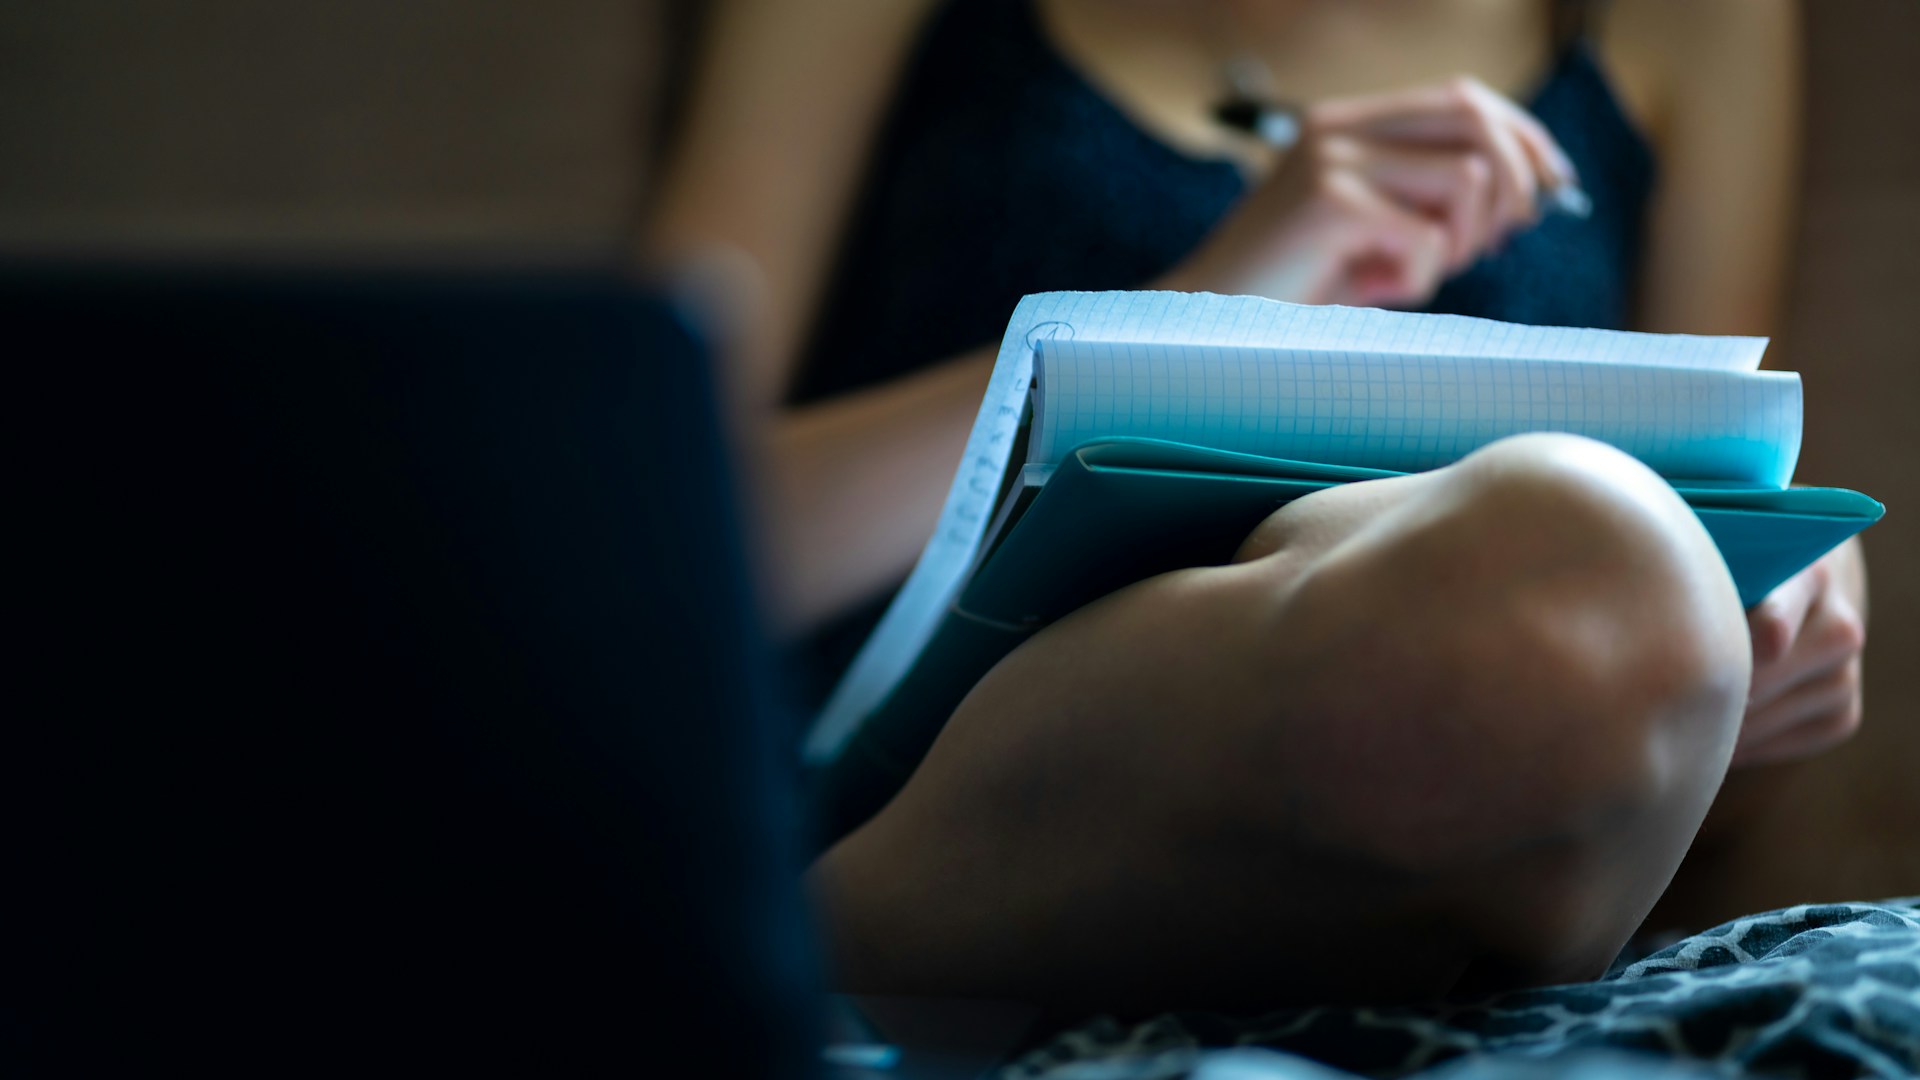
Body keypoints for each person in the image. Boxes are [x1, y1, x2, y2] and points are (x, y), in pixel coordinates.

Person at [652, 0, 1871, 1012]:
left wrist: (1778, 630)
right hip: (905, 798)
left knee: (1595, 590)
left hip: (1523, 764)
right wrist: (1209, 299)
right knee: (1570, 577)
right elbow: (623, 530)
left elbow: (1710, 684)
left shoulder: (1693, 22)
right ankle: (800, 958)